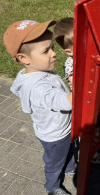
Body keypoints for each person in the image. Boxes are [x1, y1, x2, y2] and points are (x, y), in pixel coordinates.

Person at [3, 20, 76, 195]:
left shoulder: (36, 71)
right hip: (55, 134)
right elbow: (64, 101)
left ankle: (71, 166)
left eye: (52, 47)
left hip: (62, 127)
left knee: (70, 149)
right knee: (54, 162)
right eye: (46, 51)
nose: (53, 54)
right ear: (24, 58)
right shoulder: (37, 87)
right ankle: (52, 187)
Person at [53, 17, 100, 164]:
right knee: (86, 131)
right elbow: (77, 84)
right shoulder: (71, 64)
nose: (88, 47)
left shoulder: (91, 56)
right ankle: (87, 148)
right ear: (69, 51)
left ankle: (98, 141)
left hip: (98, 100)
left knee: (99, 124)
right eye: (82, 45)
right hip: (85, 104)